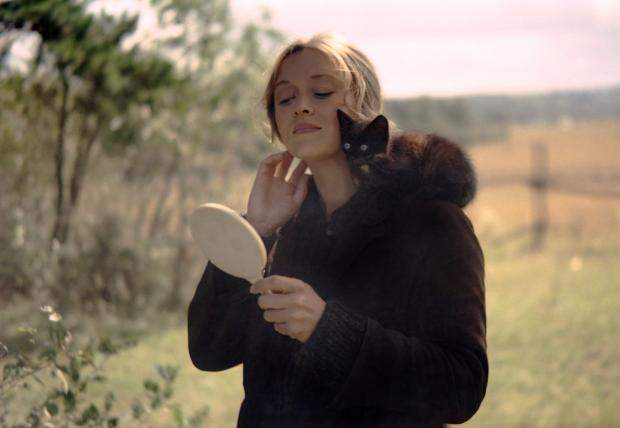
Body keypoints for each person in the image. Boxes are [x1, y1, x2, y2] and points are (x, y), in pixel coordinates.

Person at [187, 32, 488, 428]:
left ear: (364, 107)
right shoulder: (284, 227)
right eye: (285, 98)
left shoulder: (431, 221)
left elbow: (460, 387)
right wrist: (255, 230)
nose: (301, 106)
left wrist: (328, 330)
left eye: (322, 92)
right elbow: (209, 351)